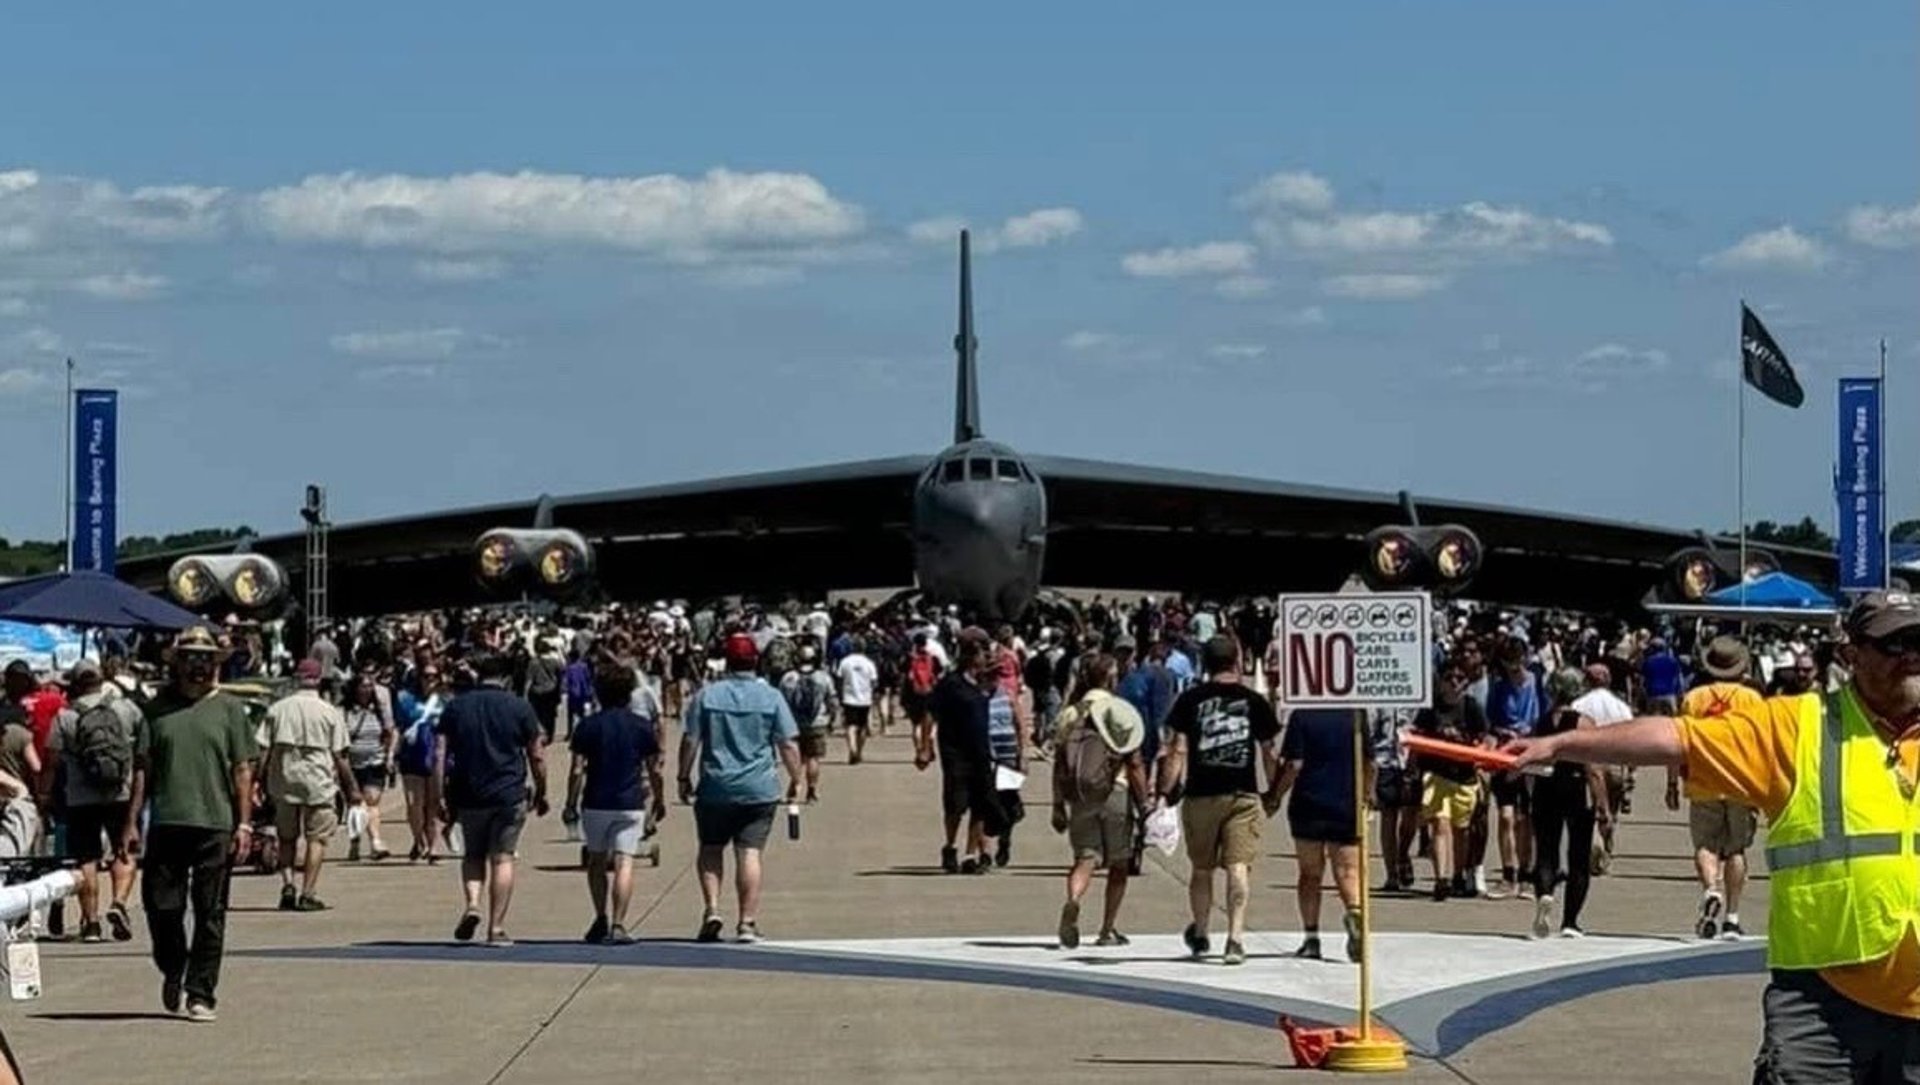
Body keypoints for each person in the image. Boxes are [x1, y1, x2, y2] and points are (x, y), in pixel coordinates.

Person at [1507, 591, 1920, 1083]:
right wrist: (1562, 743)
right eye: (1895, 645)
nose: (1913, 657)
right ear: (1852, 654)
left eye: (1919, 641)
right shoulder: (1798, 727)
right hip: (1823, 1001)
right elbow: (1674, 738)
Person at [125, 625, 257, 1023]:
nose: (197, 666)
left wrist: (245, 824)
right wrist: (131, 822)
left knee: (210, 911)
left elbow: (243, 770)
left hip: (215, 824)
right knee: (161, 907)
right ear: (177, 663)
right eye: (190, 658)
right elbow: (143, 770)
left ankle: (201, 993)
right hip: (166, 820)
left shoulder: (230, 710)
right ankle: (173, 965)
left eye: (204, 658)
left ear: (214, 664)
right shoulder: (156, 709)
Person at [1158, 635, 1282, 966]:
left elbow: (1177, 749)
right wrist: (1273, 790)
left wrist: (1165, 790)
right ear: (1237, 662)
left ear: (1205, 664)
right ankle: (1236, 938)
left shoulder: (1189, 700)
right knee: (1238, 866)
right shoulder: (1254, 701)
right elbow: (1269, 751)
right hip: (1242, 792)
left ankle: (1200, 931)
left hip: (1200, 794)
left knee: (1201, 869)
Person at [678, 633, 801, 943]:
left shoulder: (707, 696)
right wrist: (796, 779)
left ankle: (712, 909)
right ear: (755, 661)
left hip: (716, 786)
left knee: (710, 849)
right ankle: (747, 921)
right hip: (758, 788)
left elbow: (691, 739)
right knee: (749, 853)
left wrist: (683, 776)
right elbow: (787, 743)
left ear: (727, 661)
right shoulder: (771, 697)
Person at [431, 651, 548, 947]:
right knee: (502, 857)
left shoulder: (456, 707)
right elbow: (536, 754)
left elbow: (439, 754)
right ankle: (496, 928)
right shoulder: (520, 707)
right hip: (509, 792)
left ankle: (472, 904)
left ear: (477, 674)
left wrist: (439, 795)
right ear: (507, 677)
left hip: (469, 793)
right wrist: (541, 789)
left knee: (473, 854)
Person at [1049, 653, 1150, 948]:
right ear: (1110, 678)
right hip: (1114, 791)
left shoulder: (1070, 714)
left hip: (1081, 796)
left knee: (1085, 857)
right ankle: (1107, 929)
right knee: (1119, 864)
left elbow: (1059, 764)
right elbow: (1134, 762)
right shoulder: (1118, 710)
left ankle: (1074, 899)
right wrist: (1144, 803)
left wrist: (1058, 804)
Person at [1673, 635, 1765, 941]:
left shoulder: (1694, 698)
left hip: (1703, 781)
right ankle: (1733, 917)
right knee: (1736, 848)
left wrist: (1672, 781)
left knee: (1705, 845)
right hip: (1740, 781)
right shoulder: (1752, 699)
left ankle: (1711, 889)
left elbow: (1679, 743)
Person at [566, 662, 665, 945]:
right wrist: (659, 799)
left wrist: (570, 802)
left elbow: (576, 770)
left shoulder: (587, 726)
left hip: (595, 801)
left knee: (597, 862)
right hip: (630, 801)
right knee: (624, 861)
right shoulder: (641, 726)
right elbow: (654, 769)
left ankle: (600, 917)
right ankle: (619, 923)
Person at [43, 660, 142, 943]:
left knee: (86, 858)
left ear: (74, 685)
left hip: (80, 797)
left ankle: (91, 923)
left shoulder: (65, 717)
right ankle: (119, 902)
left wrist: (45, 795)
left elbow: (51, 761)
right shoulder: (126, 709)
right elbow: (143, 753)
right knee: (124, 851)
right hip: (119, 793)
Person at [257, 659, 361, 912]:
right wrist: (352, 790)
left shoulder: (277, 709)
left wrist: (259, 781)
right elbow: (341, 757)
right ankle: (308, 892)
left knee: (287, 838)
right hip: (318, 781)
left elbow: (263, 750)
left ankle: (288, 885)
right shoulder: (329, 712)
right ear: (318, 679)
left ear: (296, 678)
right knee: (317, 839)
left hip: (284, 780)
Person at [1271, 707, 1365, 962]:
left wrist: (1275, 795)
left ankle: (1311, 937)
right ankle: (1355, 912)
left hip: (1308, 804)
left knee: (1310, 873)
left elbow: (1294, 764)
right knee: (1348, 872)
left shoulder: (1302, 716)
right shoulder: (1356, 714)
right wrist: (1367, 796)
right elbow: (1370, 763)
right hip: (1346, 804)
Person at [1528, 669, 1612, 939]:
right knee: (1578, 857)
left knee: (1546, 851)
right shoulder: (1583, 723)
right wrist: (1603, 805)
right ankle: (1570, 922)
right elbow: (1594, 768)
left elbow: (1532, 758)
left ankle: (1544, 894)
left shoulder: (1540, 722)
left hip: (1545, 787)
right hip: (1575, 788)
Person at [1411, 660, 1490, 900]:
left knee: (1461, 830)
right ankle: (1441, 879)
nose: (1454, 682)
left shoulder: (1471, 707)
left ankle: (1457, 874)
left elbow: (1485, 737)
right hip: (1435, 774)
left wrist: (1479, 751)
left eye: (1460, 678)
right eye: (1449, 678)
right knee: (1439, 824)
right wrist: (1412, 769)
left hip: (1464, 776)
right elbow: (1417, 737)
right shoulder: (1430, 708)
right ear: (1441, 682)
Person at [781, 646, 836, 801]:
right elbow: (831, 700)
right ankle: (811, 789)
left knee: (796, 756)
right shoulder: (822, 677)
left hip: (792, 723)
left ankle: (795, 782)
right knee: (813, 758)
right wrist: (831, 718)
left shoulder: (788, 678)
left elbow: (781, 701)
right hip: (817, 723)